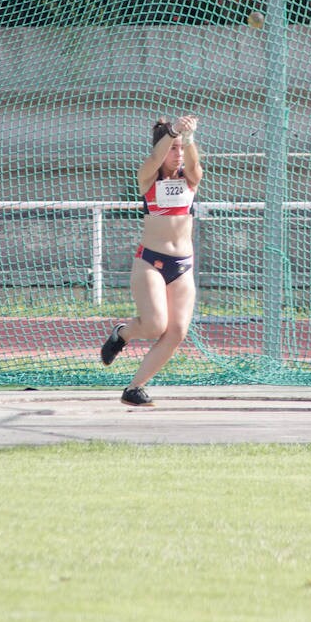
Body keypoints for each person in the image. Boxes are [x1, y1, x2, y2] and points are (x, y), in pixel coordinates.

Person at [100, 114, 203, 406]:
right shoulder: (148, 177)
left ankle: (134, 388)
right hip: (151, 262)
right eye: (173, 148)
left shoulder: (189, 179)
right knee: (156, 325)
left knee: (177, 331)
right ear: (162, 148)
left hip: (182, 265)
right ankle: (122, 333)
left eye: (182, 148)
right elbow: (155, 157)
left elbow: (195, 166)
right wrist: (172, 132)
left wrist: (189, 138)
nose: (178, 154)